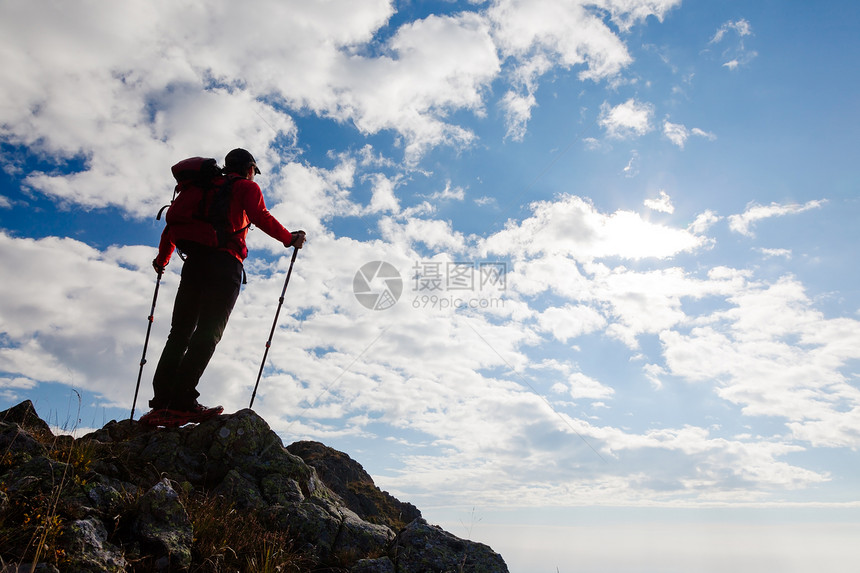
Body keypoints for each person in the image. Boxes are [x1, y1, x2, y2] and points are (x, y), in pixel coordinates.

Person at [141, 148, 305, 425]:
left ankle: (162, 403)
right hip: (225, 264)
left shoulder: (200, 189)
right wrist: (289, 239)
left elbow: (171, 229)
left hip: (193, 264)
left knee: (179, 333)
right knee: (208, 332)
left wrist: (162, 260)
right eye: (254, 170)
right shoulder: (245, 187)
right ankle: (182, 402)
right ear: (249, 168)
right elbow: (260, 216)